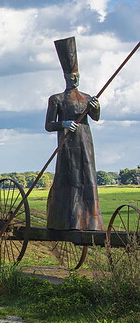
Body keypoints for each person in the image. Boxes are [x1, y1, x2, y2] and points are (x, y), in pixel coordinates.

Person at [45, 36, 103, 231]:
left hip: (86, 144)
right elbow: (48, 125)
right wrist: (64, 123)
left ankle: (91, 222)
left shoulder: (87, 98)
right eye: (71, 77)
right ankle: (68, 220)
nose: (74, 80)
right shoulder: (57, 99)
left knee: (88, 178)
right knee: (70, 180)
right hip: (68, 146)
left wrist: (95, 107)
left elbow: (95, 117)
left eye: (77, 76)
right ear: (65, 78)